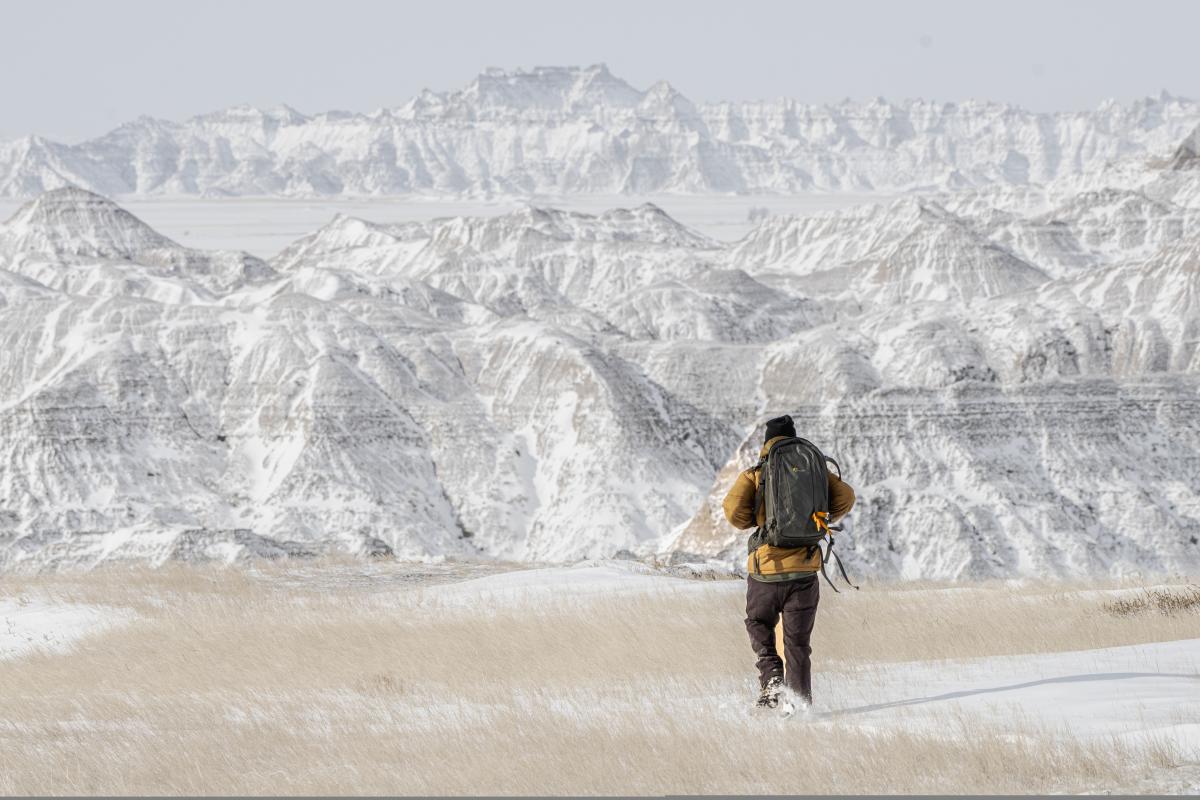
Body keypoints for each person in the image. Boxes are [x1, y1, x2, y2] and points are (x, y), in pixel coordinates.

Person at [722, 414, 856, 709]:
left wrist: (758, 519)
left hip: (765, 572)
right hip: (805, 571)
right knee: (797, 645)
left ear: (767, 442)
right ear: (794, 437)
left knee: (758, 622)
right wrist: (820, 517)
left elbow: (733, 513)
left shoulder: (756, 473)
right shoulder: (815, 466)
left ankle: (771, 678)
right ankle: (799, 707)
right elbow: (846, 496)